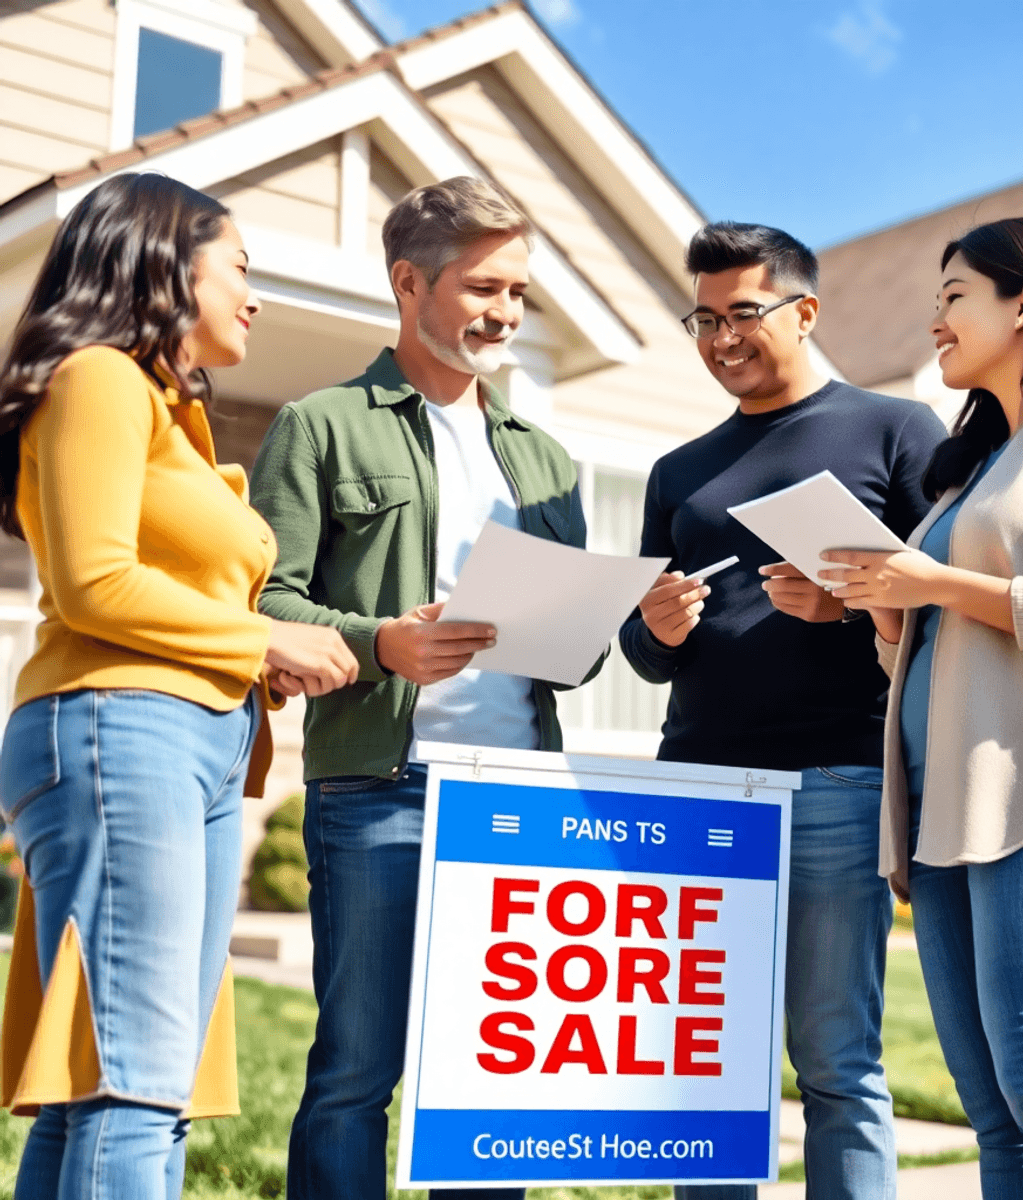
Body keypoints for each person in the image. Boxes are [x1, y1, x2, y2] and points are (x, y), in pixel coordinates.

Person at [0, 173, 358, 1200]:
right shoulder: (100, 377)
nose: (255, 297)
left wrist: (261, 656)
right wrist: (261, 637)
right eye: (240, 268)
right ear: (166, 262)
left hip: (184, 739)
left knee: (124, 1081)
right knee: (138, 1079)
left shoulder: (172, 414)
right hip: (122, 724)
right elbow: (95, 582)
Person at [250, 175, 599, 1200]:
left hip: (520, 796)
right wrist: (379, 642)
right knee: (358, 1072)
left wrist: (618, 626)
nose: (505, 313)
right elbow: (267, 601)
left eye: (519, 294)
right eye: (484, 287)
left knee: (495, 1081)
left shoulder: (546, 459)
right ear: (409, 283)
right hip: (380, 791)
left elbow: (568, 656)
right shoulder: (321, 425)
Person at [820, 215, 1023, 1200]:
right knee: (997, 1116)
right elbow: (943, 646)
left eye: (953, 294)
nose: (935, 319)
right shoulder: (967, 470)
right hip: (944, 806)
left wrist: (935, 584)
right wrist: (891, 615)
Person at [618, 222, 946, 1200]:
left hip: (836, 782)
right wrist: (658, 630)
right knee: (704, 1064)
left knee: (838, 1059)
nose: (722, 338)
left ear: (805, 310)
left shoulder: (896, 432)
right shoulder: (680, 472)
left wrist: (849, 604)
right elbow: (639, 656)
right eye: (704, 319)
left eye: (744, 314)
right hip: (699, 786)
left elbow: (946, 605)